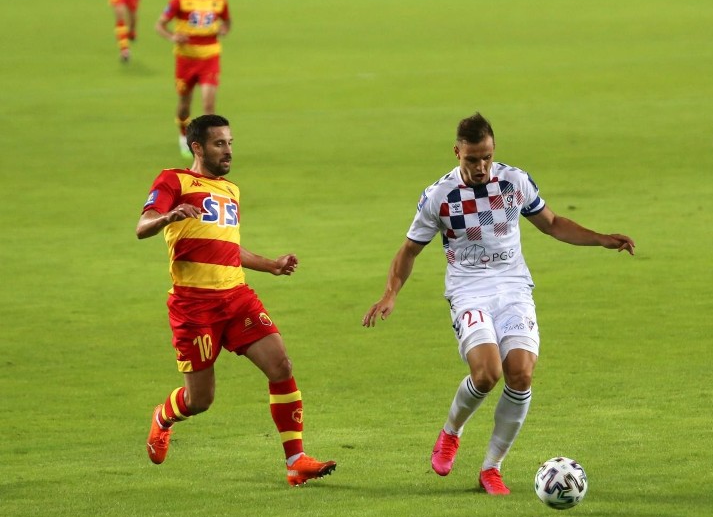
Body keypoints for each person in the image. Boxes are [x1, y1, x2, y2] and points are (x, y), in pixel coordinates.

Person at [362, 113, 634, 496]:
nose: (480, 166)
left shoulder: (514, 182)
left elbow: (552, 223)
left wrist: (601, 238)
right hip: (469, 289)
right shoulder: (438, 196)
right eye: (472, 158)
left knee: (520, 374)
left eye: (486, 157)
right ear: (457, 152)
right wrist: (390, 293)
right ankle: (451, 432)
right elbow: (409, 250)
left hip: (513, 287)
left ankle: (491, 468)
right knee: (487, 373)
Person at [137, 114, 335, 487]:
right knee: (201, 401)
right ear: (197, 147)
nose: (227, 151)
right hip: (194, 306)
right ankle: (163, 417)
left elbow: (227, 248)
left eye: (230, 143)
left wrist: (271, 265)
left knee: (281, 365)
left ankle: (296, 461)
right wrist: (169, 216)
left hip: (237, 296)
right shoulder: (173, 180)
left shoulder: (231, 190)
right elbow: (142, 225)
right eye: (219, 144)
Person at [156, 0, 230, 159]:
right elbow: (160, 25)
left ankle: (205, 147)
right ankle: (183, 134)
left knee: (208, 105)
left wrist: (224, 29)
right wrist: (173, 36)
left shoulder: (219, 1)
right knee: (184, 106)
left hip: (210, 58)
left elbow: (227, 23)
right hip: (186, 59)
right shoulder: (179, 0)